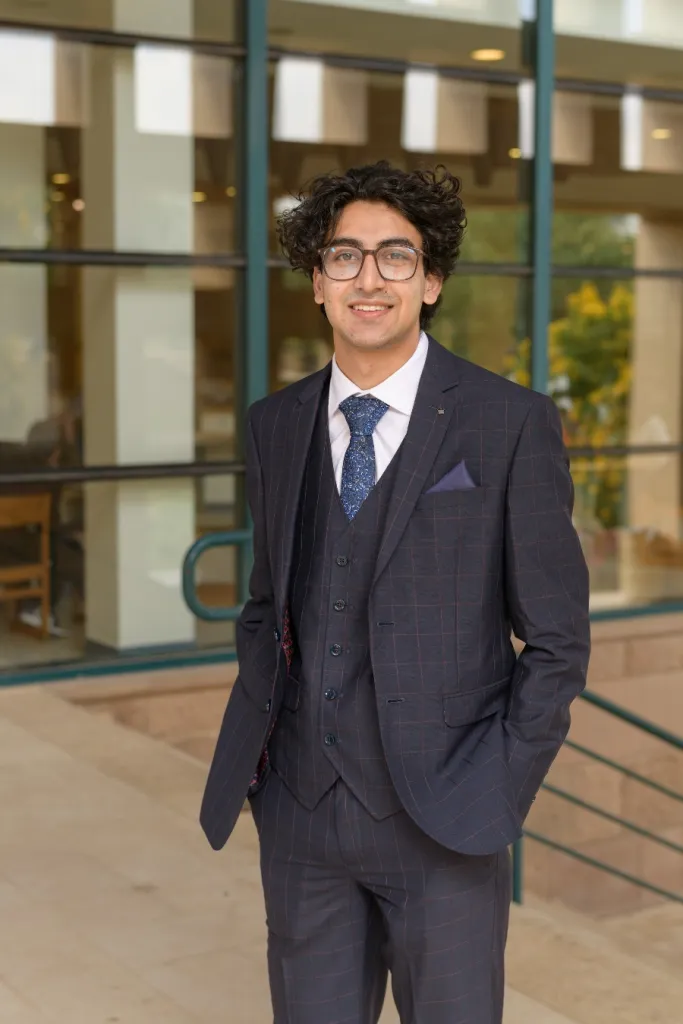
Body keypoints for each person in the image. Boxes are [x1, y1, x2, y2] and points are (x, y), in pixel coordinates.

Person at [200, 161, 591, 1024]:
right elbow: (269, 605)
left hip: (445, 823)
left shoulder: (508, 423)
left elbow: (557, 641)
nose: (367, 278)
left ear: (432, 280)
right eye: (343, 256)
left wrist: (496, 784)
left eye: (394, 257)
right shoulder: (276, 423)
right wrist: (269, 770)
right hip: (301, 821)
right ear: (315, 281)